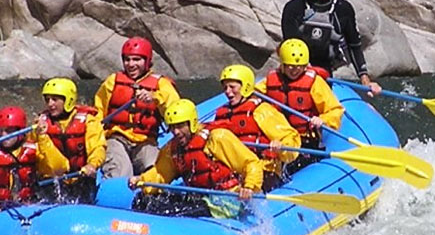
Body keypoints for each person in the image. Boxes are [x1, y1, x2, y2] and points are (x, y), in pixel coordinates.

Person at [129, 99, 264, 218]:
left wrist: (249, 186)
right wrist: (143, 180)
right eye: (172, 127)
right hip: (198, 196)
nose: (176, 132)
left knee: (176, 210)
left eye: (180, 126)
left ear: (191, 123)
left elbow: (251, 163)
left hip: (226, 200)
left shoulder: (216, 138)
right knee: (143, 200)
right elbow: (160, 173)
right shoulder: (173, 148)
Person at [280, 0, 382, 97]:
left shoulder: (342, 9)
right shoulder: (293, 8)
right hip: (295, 74)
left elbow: (354, 46)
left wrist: (365, 80)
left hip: (324, 73)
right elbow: (290, 45)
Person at [93, 36, 179, 179]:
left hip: (146, 142)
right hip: (116, 138)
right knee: (121, 171)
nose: (131, 64)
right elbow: (98, 112)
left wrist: (155, 98)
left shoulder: (161, 85)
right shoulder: (112, 82)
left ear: (147, 61)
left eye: (136, 59)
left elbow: (176, 111)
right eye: (127, 59)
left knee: (156, 170)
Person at [208, 63, 299, 187]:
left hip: (264, 170)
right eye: (225, 88)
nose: (228, 92)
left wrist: (281, 146)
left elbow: (291, 138)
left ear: (245, 86)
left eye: (232, 87)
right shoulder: (223, 114)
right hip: (237, 171)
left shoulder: (261, 110)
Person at [260, 39, 344, 152]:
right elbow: (253, 96)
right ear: (283, 65)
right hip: (279, 136)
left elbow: (335, 109)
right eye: (291, 66)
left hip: (305, 138)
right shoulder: (271, 80)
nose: (295, 70)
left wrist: (322, 120)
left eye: (299, 66)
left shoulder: (315, 82)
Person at [37, 77, 105, 204]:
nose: (50, 104)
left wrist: (92, 165)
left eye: (55, 99)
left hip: (81, 177)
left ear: (68, 100)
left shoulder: (89, 121)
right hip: (52, 181)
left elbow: (97, 147)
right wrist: (41, 135)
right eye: (47, 100)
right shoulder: (41, 124)